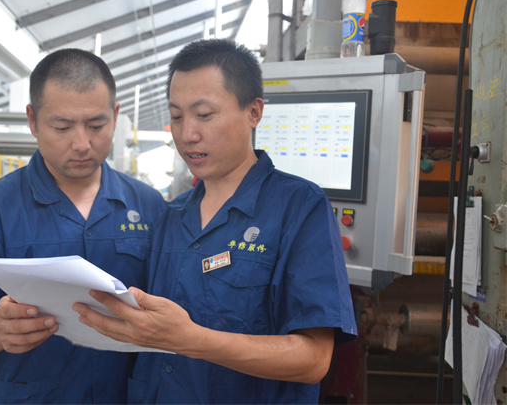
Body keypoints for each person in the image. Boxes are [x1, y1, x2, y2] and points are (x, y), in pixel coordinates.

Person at [73, 39, 358, 404]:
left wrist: (191, 340)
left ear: (253, 112)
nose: (187, 134)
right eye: (177, 117)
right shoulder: (171, 216)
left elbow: (313, 359)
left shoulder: (299, 207)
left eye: (204, 115)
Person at [0, 48, 166, 404]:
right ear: (33, 120)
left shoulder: (148, 205)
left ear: (115, 116)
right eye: (62, 127)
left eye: (96, 125)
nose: (82, 144)